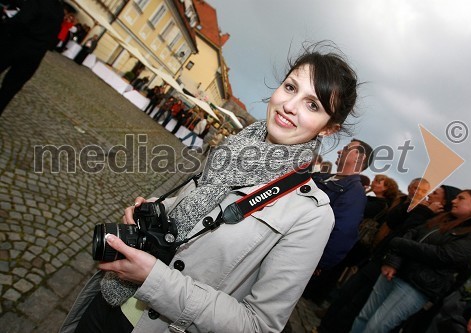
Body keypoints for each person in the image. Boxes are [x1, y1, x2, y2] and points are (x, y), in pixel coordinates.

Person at [60, 41, 362, 333]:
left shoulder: (312, 216)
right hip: (110, 299)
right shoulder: (232, 148)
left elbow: (258, 325)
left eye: (312, 104)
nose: (289, 106)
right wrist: (154, 210)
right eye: (290, 87)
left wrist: (154, 280)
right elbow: (190, 209)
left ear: (328, 127)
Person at [316, 182, 460, 333]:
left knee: (357, 304)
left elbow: (407, 235)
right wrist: (412, 204)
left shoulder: (435, 222)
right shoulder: (421, 208)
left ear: (444, 203)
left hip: (392, 267)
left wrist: (424, 212)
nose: (429, 194)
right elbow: (393, 220)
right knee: (347, 292)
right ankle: (324, 326)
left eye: (435, 193)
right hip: (379, 257)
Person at [351, 189, 471, 333]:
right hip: (393, 272)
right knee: (363, 317)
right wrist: (392, 262)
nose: (453, 201)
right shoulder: (442, 219)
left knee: (376, 327)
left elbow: (445, 256)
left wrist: (400, 244)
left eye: (461, 198)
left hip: (417, 286)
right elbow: (411, 233)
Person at [302, 139, 373, 304]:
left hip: (300, 253)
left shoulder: (354, 194)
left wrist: (319, 262)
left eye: (348, 148)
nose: (341, 151)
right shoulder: (322, 177)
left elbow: (344, 233)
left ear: (359, 159)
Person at [0, 0, 64, 116]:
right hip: (35, 55)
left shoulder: (38, 1)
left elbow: (21, 20)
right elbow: (53, 38)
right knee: (9, 90)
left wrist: (7, 24)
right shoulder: (59, 11)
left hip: (16, 45)